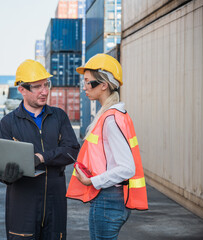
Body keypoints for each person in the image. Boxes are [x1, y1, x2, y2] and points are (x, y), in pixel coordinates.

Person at [0, 59, 80, 240]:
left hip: (55, 203)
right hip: (23, 203)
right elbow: (2, 164)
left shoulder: (59, 117)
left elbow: (71, 150)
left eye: (46, 84)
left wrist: (41, 157)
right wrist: (4, 175)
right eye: (37, 87)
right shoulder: (9, 123)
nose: (45, 91)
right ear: (22, 90)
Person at [66, 54, 148, 240]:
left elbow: (126, 168)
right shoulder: (116, 115)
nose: (84, 87)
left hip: (108, 200)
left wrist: (92, 181)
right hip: (113, 199)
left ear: (104, 85)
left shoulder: (110, 120)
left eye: (89, 82)